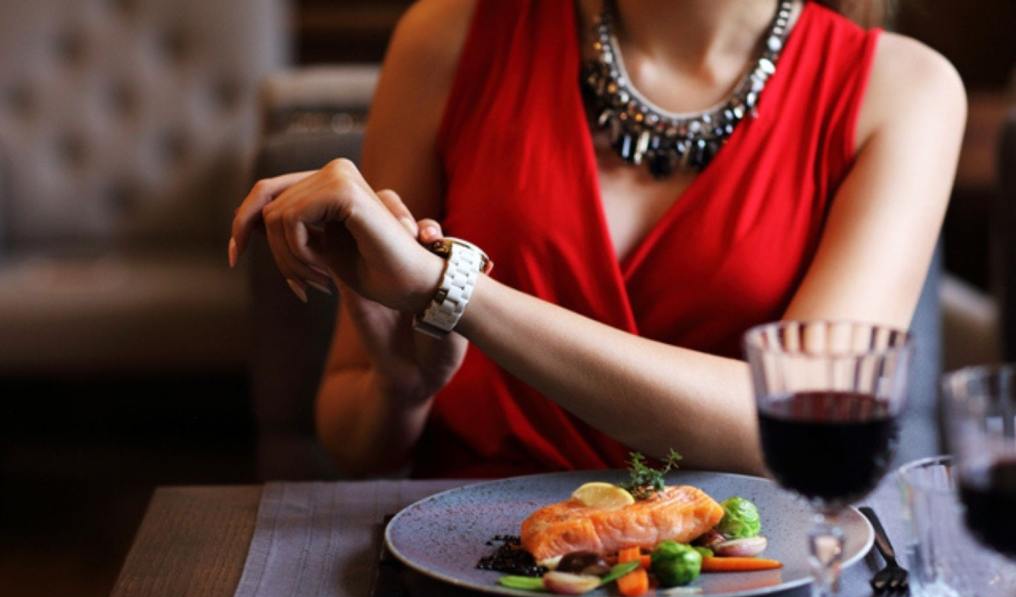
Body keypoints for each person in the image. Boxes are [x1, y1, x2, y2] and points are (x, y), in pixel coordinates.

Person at [229, 0, 965, 479]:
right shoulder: (446, 37)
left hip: (741, 580)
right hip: (467, 570)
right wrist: (402, 386)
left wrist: (454, 292)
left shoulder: (905, 90)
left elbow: (804, 427)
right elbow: (351, 435)